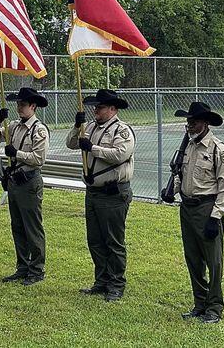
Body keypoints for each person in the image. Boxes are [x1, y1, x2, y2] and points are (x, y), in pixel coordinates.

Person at [161, 101, 224, 324]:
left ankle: (214, 307)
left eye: (193, 121)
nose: (189, 125)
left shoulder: (217, 149)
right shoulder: (188, 146)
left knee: (213, 262)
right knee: (193, 259)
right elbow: (180, 175)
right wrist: (171, 190)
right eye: (188, 121)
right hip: (187, 208)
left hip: (207, 209)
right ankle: (200, 303)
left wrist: (216, 216)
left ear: (204, 123)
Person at [66, 89, 135, 302]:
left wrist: (93, 148)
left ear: (113, 109)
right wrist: (78, 126)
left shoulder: (121, 131)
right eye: (95, 107)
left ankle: (116, 283)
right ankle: (102, 280)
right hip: (93, 192)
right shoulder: (91, 127)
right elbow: (71, 143)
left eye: (101, 107)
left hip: (113, 193)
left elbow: (119, 155)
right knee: (95, 239)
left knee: (113, 240)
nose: (96, 110)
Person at [0, 87, 49, 286]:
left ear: (33, 106)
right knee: (17, 226)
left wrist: (17, 153)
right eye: (18, 104)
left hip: (29, 181)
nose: (19, 108)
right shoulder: (13, 126)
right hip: (14, 181)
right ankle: (22, 266)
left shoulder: (39, 130)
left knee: (32, 227)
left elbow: (38, 159)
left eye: (23, 105)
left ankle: (37, 269)